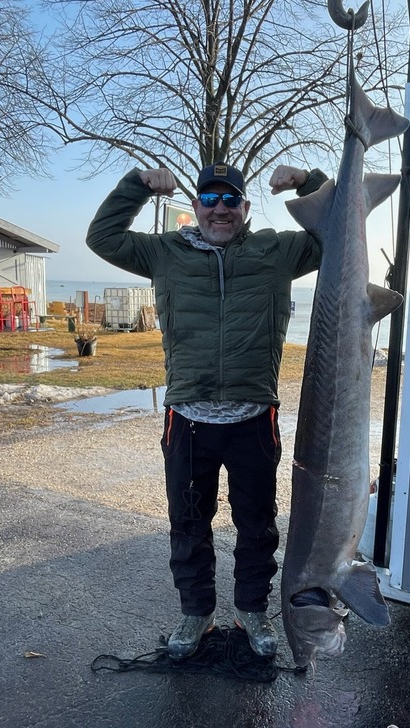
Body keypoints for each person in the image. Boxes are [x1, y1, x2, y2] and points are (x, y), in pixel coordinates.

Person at [86, 160, 326, 659]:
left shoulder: (276, 251)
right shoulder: (164, 253)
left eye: (230, 199)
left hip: (254, 419)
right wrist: (136, 185)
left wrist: (309, 182)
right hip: (188, 420)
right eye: (210, 199)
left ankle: (252, 610)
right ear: (195, 208)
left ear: (246, 207)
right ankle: (196, 613)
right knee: (189, 522)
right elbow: (103, 237)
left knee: (257, 523)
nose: (221, 209)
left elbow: (338, 233)